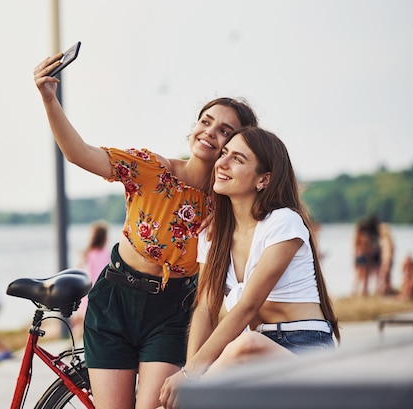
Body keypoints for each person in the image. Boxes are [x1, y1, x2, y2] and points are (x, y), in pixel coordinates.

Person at [34, 52, 258, 409]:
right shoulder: (150, 168)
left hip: (173, 310)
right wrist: (49, 98)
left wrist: (230, 210)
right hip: (115, 301)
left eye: (225, 131)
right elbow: (78, 153)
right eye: (206, 121)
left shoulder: (228, 204)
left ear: (236, 145)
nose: (210, 133)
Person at [159, 127, 340, 409]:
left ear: (264, 179)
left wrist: (190, 376)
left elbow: (247, 306)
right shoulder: (213, 235)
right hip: (251, 354)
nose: (223, 163)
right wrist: (192, 373)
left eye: (238, 159)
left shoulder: (283, 223)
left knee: (246, 345)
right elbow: (206, 306)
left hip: (304, 349)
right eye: (224, 153)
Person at [71, 220, 111, 340]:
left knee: (81, 325)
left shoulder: (88, 253)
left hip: (87, 292)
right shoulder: (107, 254)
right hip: (102, 292)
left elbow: (78, 271)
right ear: (105, 238)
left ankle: (70, 348)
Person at [352, 215, 383, 296]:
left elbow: (356, 248)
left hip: (361, 256)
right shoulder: (364, 236)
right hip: (364, 256)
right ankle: (362, 292)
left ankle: (359, 292)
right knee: (362, 276)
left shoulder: (358, 236)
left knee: (361, 276)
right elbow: (366, 247)